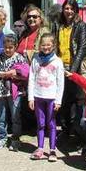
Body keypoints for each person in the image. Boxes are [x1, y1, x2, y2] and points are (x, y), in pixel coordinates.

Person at [51, 0, 86, 142]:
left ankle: (75, 131)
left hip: (73, 68)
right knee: (62, 100)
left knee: (74, 101)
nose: (69, 11)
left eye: (72, 9)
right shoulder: (57, 24)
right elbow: (54, 44)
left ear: (76, 10)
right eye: (66, 8)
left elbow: (81, 48)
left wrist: (72, 71)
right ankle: (65, 130)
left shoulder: (80, 26)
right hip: (59, 67)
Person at [28, 33, 64, 161]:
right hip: (38, 96)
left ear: (53, 45)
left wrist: (58, 100)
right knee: (41, 123)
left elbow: (61, 83)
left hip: (51, 97)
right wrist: (30, 97)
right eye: (43, 45)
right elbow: (31, 78)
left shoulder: (58, 61)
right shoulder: (35, 59)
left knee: (51, 123)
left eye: (49, 45)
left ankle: (52, 150)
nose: (46, 47)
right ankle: (40, 148)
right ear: (39, 45)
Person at [0, 35, 28, 151]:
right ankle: (2, 138)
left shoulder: (20, 58)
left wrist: (15, 73)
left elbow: (25, 74)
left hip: (16, 92)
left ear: (16, 47)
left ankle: (15, 139)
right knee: (1, 116)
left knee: (15, 116)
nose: (7, 50)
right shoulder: (0, 57)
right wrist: (10, 73)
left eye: (10, 47)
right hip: (2, 91)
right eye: (6, 47)